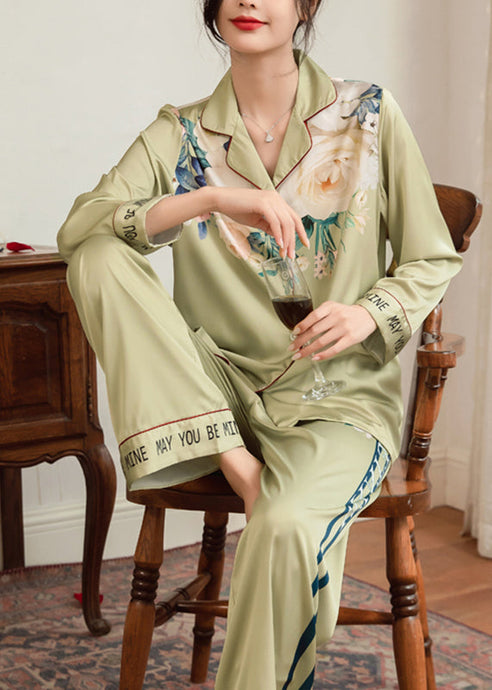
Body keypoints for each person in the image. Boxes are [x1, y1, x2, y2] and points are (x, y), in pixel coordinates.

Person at [57, 0, 462, 687]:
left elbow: (431, 257)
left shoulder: (367, 116)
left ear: (306, 6)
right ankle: (236, 460)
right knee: (98, 256)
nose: (249, 0)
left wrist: (368, 314)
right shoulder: (181, 134)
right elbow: (81, 228)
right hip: (213, 390)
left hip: (334, 399)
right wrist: (210, 200)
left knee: (282, 527)